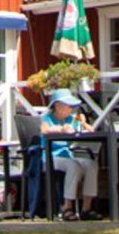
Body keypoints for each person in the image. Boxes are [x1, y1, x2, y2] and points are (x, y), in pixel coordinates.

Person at [42, 87, 101, 222]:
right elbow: (44, 130)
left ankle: (86, 208)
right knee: (73, 165)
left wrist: (84, 123)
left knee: (91, 164)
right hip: (51, 157)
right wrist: (60, 129)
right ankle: (67, 207)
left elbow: (92, 131)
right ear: (58, 106)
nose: (71, 109)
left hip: (68, 155)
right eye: (69, 106)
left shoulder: (70, 119)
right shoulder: (47, 118)